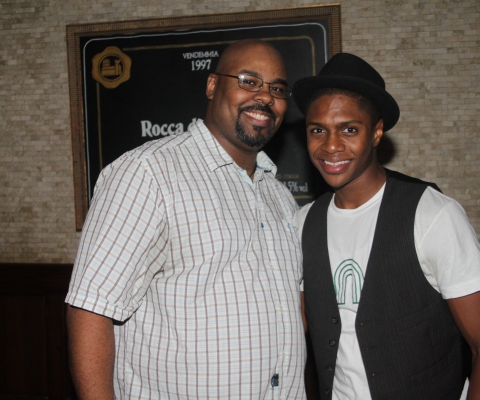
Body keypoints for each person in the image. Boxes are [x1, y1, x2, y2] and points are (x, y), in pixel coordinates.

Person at [65, 39, 306, 400]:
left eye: (277, 88)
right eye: (249, 81)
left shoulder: (280, 197)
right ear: (212, 85)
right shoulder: (148, 173)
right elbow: (90, 309)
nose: (265, 97)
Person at [292, 53, 480, 400]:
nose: (331, 146)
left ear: (377, 132)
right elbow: (294, 333)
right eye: (318, 130)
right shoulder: (304, 223)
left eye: (349, 129)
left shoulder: (433, 215)